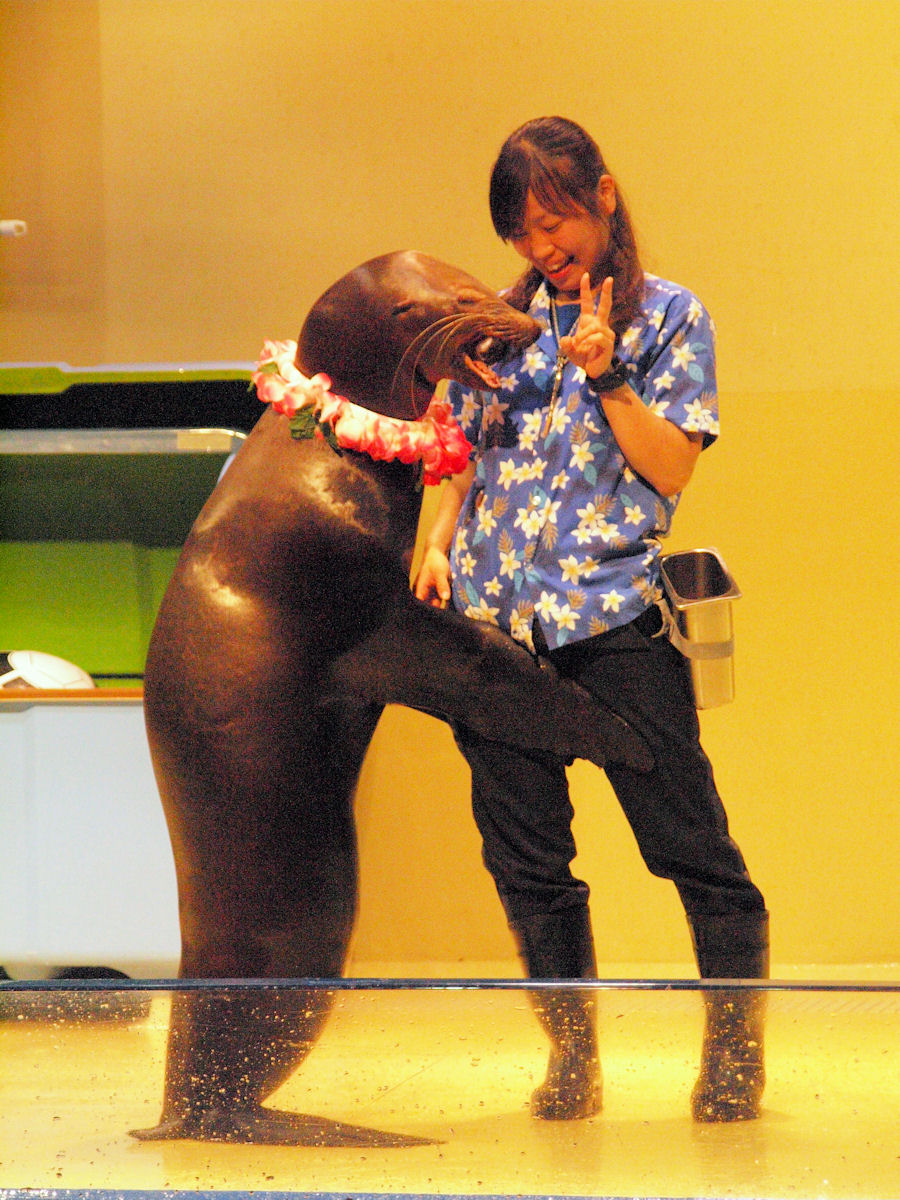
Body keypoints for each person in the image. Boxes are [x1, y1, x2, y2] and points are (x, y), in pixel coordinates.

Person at [415, 116, 769, 1123]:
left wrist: (608, 374)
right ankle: (573, 1059)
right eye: (522, 234)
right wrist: (435, 543)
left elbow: (674, 466)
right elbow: (457, 456)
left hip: (615, 625)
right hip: (497, 632)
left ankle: (736, 1056)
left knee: (692, 848)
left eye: (554, 222)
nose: (542, 249)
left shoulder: (672, 318)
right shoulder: (498, 329)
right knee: (528, 863)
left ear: (603, 198)